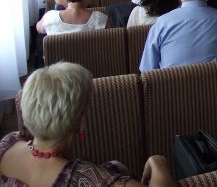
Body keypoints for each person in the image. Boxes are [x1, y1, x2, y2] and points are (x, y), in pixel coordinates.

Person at [0, 61, 175, 186]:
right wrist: (159, 163)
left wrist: (111, 168)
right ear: (80, 120)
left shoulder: (8, 142)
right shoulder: (91, 179)